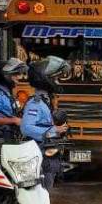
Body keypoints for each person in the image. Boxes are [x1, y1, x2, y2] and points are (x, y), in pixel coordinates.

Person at [21, 58, 70, 189]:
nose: (58, 82)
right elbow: (26, 128)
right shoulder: (35, 103)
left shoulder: (46, 101)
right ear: (46, 79)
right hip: (39, 157)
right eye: (56, 78)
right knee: (40, 195)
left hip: (47, 157)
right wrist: (54, 130)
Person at [0, 58, 27, 141]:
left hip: (11, 136)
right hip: (1, 139)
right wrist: (13, 120)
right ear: (5, 75)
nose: (19, 77)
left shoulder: (8, 93)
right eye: (15, 74)